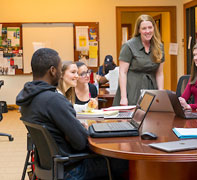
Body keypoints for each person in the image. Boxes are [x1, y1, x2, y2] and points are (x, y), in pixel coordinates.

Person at [16, 48, 128, 179]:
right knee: (123, 161)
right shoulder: (54, 100)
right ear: (52, 71)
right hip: (71, 169)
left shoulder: (27, 98)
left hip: (50, 167)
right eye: (59, 69)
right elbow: (80, 142)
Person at [113, 14, 164, 106]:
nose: (147, 31)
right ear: (139, 30)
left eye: (150, 27)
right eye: (144, 28)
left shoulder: (159, 47)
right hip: (132, 90)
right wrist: (124, 97)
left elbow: (159, 74)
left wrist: (161, 94)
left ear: (154, 28)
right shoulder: (129, 46)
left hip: (151, 90)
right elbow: (122, 73)